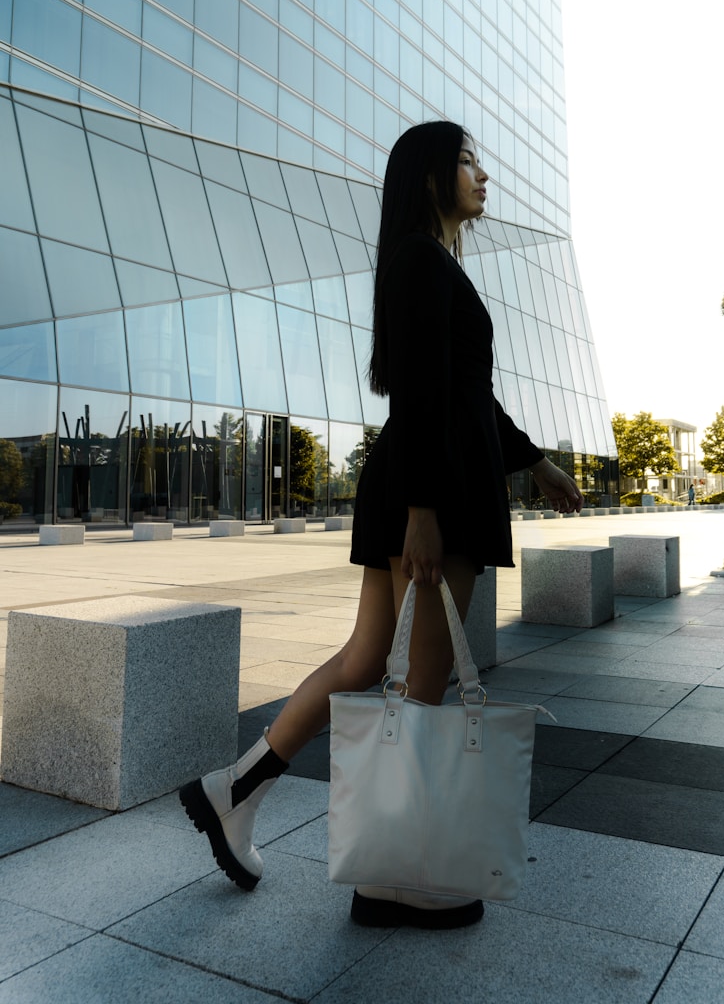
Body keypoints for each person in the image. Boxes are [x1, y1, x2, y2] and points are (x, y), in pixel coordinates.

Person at [180, 121, 583, 930]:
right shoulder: (418, 263)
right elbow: (420, 391)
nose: (484, 177)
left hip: (427, 482)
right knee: (418, 684)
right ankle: (391, 876)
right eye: (469, 162)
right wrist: (425, 515)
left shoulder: (428, 262)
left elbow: (465, 393)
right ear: (430, 175)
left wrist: (534, 461)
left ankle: (234, 791)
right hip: (431, 494)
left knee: (369, 658)